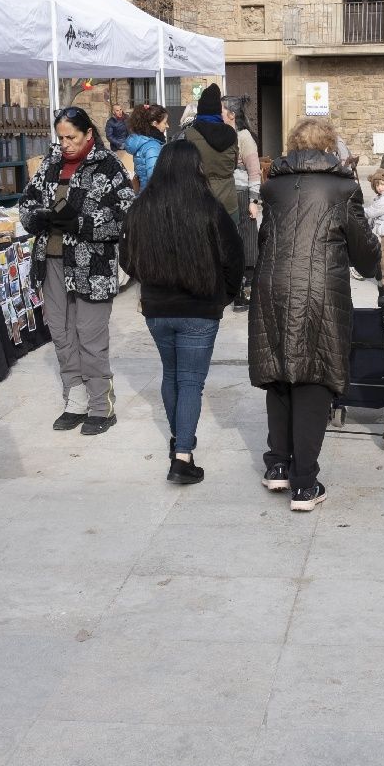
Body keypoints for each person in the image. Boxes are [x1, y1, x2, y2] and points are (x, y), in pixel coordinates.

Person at [250, 116, 381, 511]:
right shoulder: (343, 187)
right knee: (314, 377)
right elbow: (365, 254)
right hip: (320, 290)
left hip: (273, 285)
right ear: (329, 148)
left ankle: (278, 467)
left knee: (280, 371)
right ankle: (305, 483)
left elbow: (265, 239)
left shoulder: (272, 187)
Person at [121, 140, 245, 484]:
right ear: (196, 168)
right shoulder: (209, 208)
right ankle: (182, 455)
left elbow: (126, 259)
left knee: (171, 374)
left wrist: (148, 279)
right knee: (190, 381)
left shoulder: (141, 208)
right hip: (200, 308)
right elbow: (234, 256)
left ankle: (180, 440)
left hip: (158, 308)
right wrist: (226, 295)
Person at [20, 106, 135, 435]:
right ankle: (76, 399)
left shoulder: (108, 165)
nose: (65, 144)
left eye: (71, 137)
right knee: (61, 332)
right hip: (51, 260)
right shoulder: (52, 163)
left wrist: (83, 223)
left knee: (90, 336)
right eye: (61, 137)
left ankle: (101, 403)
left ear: (88, 134)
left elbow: (127, 209)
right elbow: (27, 201)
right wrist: (39, 217)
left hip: (93, 264)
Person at [222, 95, 262, 313]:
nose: (219, 113)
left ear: (231, 114)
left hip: (242, 194)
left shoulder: (244, 136)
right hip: (225, 194)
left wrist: (254, 201)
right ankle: (232, 286)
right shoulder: (221, 135)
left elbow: (254, 172)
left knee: (247, 241)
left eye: (221, 109)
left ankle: (245, 290)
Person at [184, 83, 240, 216]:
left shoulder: (189, 134)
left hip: (200, 201)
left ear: (200, 110)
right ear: (218, 111)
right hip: (228, 202)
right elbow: (234, 165)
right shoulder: (231, 133)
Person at [123, 102, 167, 188]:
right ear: (155, 124)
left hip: (143, 192)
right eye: (165, 122)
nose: (167, 126)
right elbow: (154, 178)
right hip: (151, 197)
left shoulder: (144, 142)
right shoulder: (152, 146)